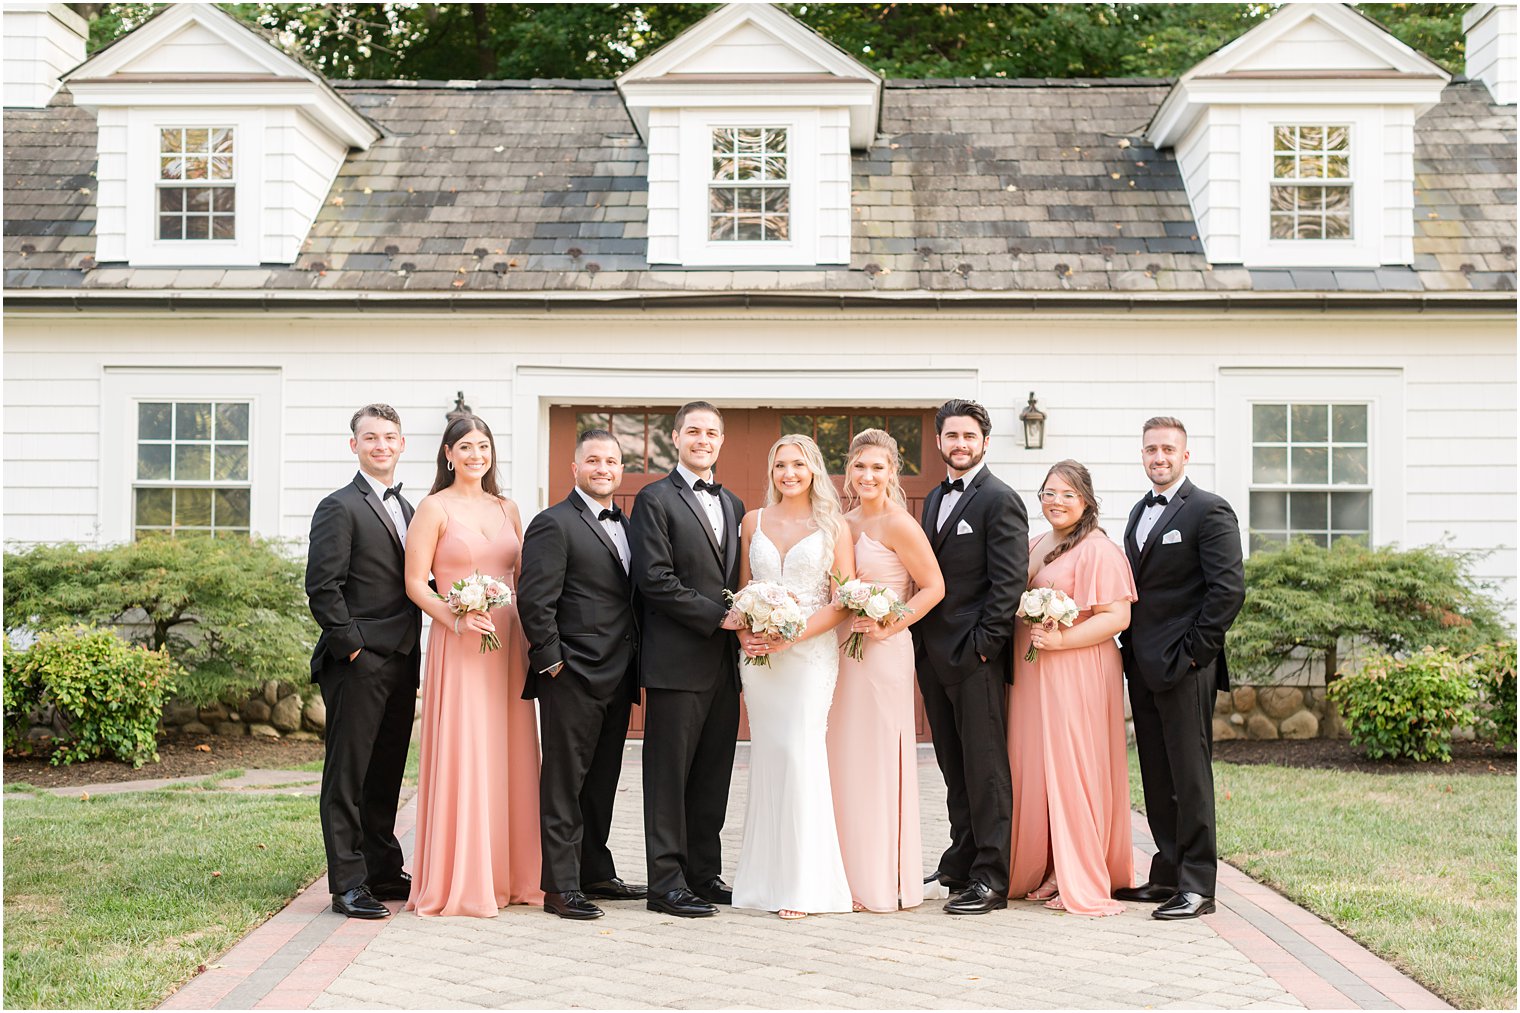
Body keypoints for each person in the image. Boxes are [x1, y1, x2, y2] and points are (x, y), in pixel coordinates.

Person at [403, 414, 542, 917]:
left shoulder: (509, 507)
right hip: (460, 644)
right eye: (465, 447)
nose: (476, 455)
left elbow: (524, 576)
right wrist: (455, 620)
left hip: (509, 642)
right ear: (448, 454)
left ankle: (516, 874)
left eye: (483, 446)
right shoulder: (432, 508)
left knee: (511, 750)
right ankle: (463, 878)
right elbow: (416, 583)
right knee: (468, 749)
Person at [1117, 416, 1246, 921]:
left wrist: (1196, 652)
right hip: (1142, 665)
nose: (1159, 457)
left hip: (1187, 666)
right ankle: (1167, 873)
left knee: (1189, 777)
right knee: (1156, 773)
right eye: (1151, 449)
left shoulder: (1209, 511)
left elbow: (1227, 591)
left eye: (1168, 449)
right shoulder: (1137, 512)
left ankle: (1198, 886)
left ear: (1185, 455)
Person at [725, 434, 855, 920]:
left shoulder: (833, 526)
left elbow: (842, 600)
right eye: (780, 465)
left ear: (815, 469)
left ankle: (805, 885)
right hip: (760, 659)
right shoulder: (752, 521)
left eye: (799, 464)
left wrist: (792, 636)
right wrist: (746, 638)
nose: (789, 473)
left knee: (802, 753)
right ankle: (763, 881)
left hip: (808, 657)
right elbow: (742, 590)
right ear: (771, 471)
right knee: (769, 756)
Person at [519, 428, 646, 920]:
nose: (603, 469)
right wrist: (551, 662)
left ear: (620, 469)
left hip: (619, 673)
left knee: (602, 780)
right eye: (593, 461)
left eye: (612, 462)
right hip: (570, 674)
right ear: (575, 469)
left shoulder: (629, 525)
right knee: (564, 781)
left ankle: (595, 869)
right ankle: (560, 885)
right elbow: (536, 598)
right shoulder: (553, 523)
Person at [629, 401, 745, 918]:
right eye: (693, 431)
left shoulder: (737, 505)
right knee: (669, 776)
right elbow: (653, 579)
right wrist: (718, 618)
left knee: (713, 774)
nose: (703, 439)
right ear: (675, 438)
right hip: (677, 661)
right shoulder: (654, 499)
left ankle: (703, 872)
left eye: (712, 432)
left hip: (726, 664)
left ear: (721, 441)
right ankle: (666, 883)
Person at [912, 398, 1028, 915]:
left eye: (969, 436)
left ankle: (990, 876)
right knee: (952, 765)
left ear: (984, 441)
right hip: (932, 657)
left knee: (985, 769)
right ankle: (960, 859)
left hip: (975, 658)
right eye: (951, 436)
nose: (960, 444)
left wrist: (984, 646)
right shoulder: (934, 499)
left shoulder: (1000, 499)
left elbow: (1008, 583)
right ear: (939, 442)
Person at [306, 403, 422, 919]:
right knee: (347, 776)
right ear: (354, 446)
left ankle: (381, 867)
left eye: (389, 437)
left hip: (402, 660)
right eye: (370, 437)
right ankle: (348, 883)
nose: (381, 445)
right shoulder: (339, 507)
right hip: (358, 662)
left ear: (402, 444)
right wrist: (352, 647)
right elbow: (323, 587)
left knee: (386, 771)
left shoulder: (411, 509)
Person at [1007, 460, 1137, 917]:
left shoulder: (1098, 549)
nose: (1056, 502)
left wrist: (1062, 640)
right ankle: (1046, 867)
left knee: (1073, 767)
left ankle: (1078, 873)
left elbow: (1115, 617)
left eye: (1067, 494)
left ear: (1085, 500)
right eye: (1048, 493)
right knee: (1038, 768)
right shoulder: (1036, 544)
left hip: (1078, 668)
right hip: (1033, 670)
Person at [828, 429, 945, 913]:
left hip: (883, 652)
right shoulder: (838, 521)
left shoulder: (900, 524)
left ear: (892, 472)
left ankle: (880, 878)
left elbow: (933, 587)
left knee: (877, 759)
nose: (868, 475)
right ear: (849, 472)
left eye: (878, 467)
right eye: (860, 466)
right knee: (842, 758)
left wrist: (890, 622)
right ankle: (841, 874)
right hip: (839, 653)